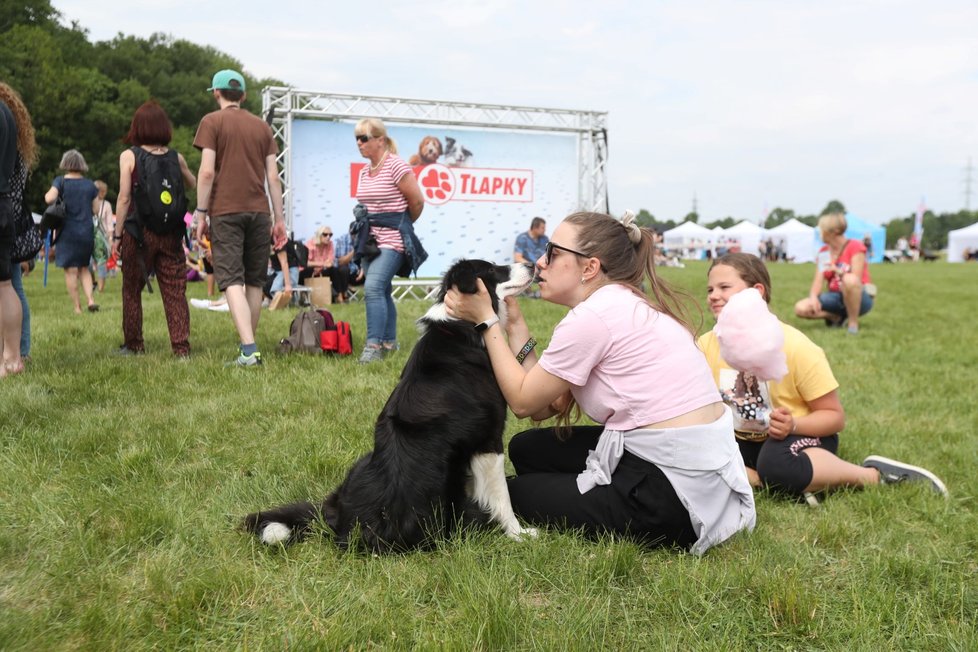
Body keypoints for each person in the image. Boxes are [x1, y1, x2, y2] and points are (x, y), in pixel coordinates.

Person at [444, 211, 755, 555]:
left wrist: (487, 322)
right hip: (699, 473)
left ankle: (623, 507)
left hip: (670, 497)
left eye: (553, 253)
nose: (540, 262)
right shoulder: (624, 302)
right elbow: (547, 406)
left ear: (589, 268)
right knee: (525, 449)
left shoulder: (593, 317)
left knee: (513, 493)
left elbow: (522, 402)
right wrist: (514, 325)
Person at [700, 253, 947, 499]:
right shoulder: (705, 345)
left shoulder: (796, 346)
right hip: (742, 440)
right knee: (693, 451)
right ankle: (781, 482)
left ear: (757, 292)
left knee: (776, 465)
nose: (713, 295)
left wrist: (793, 425)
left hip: (799, 438)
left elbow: (834, 418)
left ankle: (873, 475)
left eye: (724, 287)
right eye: (710, 289)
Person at [193, 69, 286, 367]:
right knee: (255, 281)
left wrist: (201, 213)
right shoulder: (261, 128)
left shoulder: (211, 122)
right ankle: (250, 346)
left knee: (231, 278)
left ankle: (249, 350)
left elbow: (207, 172)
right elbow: (273, 177)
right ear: (243, 96)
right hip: (260, 212)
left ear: (216, 93)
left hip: (226, 210)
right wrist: (279, 219)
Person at [111, 100, 197, 357]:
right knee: (174, 290)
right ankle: (181, 348)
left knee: (131, 289)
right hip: (171, 232)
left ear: (137, 128)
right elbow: (191, 184)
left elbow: (124, 198)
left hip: (138, 234)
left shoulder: (129, 156)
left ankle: (134, 344)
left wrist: (117, 234)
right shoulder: (176, 157)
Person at [352, 117, 425, 364]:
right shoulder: (364, 171)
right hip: (371, 240)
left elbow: (417, 202)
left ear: (380, 140)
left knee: (372, 288)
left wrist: (402, 224)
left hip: (393, 239)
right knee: (381, 290)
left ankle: (373, 346)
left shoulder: (397, 166)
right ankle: (390, 343)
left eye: (364, 138)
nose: (359, 143)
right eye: (357, 139)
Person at [1, 82, 38, 377]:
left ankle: (15, 352)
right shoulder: (18, 147)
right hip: (12, 219)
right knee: (12, 286)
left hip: (7, 218)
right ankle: (17, 350)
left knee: (8, 286)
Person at [793, 212, 873, 335]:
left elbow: (855, 280)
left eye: (822, 229)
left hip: (859, 297)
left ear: (833, 232)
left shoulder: (855, 246)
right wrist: (814, 297)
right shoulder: (824, 252)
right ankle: (835, 317)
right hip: (835, 298)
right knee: (800, 308)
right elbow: (818, 282)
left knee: (849, 280)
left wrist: (837, 271)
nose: (819, 232)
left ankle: (853, 323)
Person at [44, 150, 99, 314]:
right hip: (85, 231)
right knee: (84, 267)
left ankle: (77, 307)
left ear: (65, 164)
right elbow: (95, 209)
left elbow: (49, 199)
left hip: (66, 232)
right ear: (82, 165)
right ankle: (90, 299)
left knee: (70, 270)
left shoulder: (60, 182)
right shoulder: (90, 185)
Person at [302, 225, 350, 301]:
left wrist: (322, 266)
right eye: (325, 234)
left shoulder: (330, 244)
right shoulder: (310, 244)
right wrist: (322, 264)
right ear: (319, 235)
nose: (328, 237)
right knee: (309, 269)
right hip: (309, 272)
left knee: (334, 270)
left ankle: (340, 296)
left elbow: (330, 262)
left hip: (321, 271)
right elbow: (305, 263)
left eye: (330, 235)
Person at [91, 180, 114, 293]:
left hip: (101, 238)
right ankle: (92, 282)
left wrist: (110, 239)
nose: (104, 193)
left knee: (101, 263)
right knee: (88, 263)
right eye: (102, 191)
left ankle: (100, 288)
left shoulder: (107, 205)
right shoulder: (88, 203)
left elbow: (109, 224)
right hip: (89, 235)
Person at [332, 221, 362, 301]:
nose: (356, 235)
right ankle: (344, 294)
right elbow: (341, 262)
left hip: (360, 272)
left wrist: (362, 270)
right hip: (347, 274)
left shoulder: (364, 240)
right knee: (343, 269)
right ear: (350, 231)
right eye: (354, 232)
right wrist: (355, 249)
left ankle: (373, 296)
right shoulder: (342, 240)